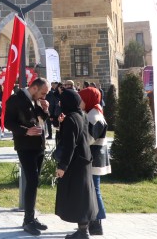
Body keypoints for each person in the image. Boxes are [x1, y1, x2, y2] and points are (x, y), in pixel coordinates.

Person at [3, 77, 51, 236]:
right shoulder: (15, 100)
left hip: (39, 146)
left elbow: (43, 119)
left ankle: (30, 217)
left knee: (34, 181)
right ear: (35, 88)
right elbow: (8, 123)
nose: (44, 96)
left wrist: (45, 109)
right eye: (43, 93)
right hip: (25, 146)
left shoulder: (37, 100)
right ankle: (28, 220)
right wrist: (25, 131)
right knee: (32, 180)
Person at [54, 88, 98, 239]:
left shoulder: (71, 119)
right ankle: (83, 230)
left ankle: (83, 233)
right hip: (84, 160)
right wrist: (62, 125)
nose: (59, 103)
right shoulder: (81, 115)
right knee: (83, 195)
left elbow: (69, 145)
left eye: (61, 101)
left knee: (77, 196)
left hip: (75, 163)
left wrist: (62, 167)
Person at [79, 87, 110, 236]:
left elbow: (90, 139)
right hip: (95, 157)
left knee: (94, 190)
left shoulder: (94, 116)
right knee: (93, 189)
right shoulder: (92, 113)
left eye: (82, 99)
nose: (80, 102)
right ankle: (94, 221)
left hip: (94, 158)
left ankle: (97, 222)